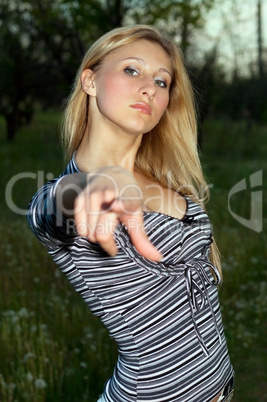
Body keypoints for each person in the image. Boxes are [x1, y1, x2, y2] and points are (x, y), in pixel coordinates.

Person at [27, 25, 234, 401]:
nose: (149, 89)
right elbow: (46, 213)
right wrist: (87, 187)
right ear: (90, 80)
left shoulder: (165, 178)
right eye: (131, 70)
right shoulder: (77, 190)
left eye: (162, 81)